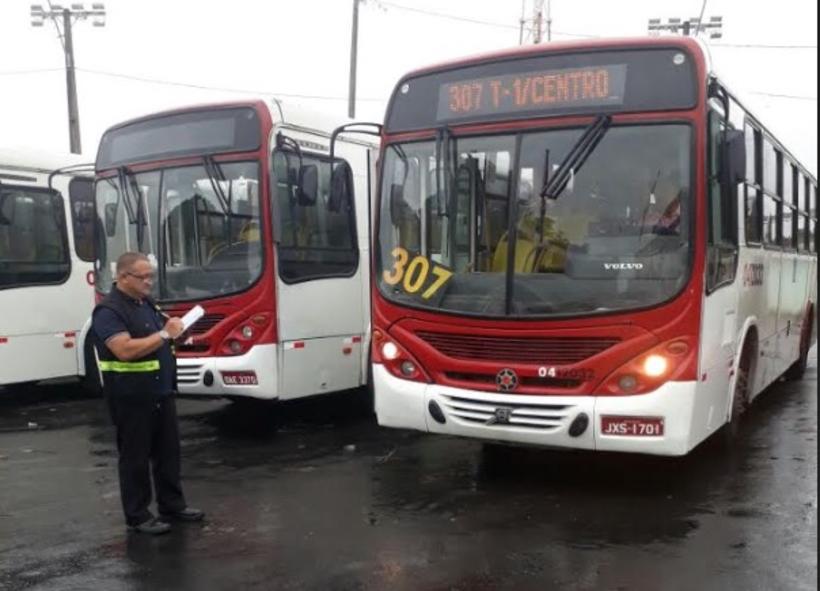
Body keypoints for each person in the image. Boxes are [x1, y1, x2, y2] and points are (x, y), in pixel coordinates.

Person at [91, 252, 204, 535]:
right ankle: (138, 515)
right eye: (143, 277)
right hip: (131, 397)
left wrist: (176, 334)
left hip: (160, 392)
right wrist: (164, 335)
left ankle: (172, 505)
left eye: (150, 276)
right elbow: (124, 350)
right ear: (123, 277)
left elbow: (159, 339)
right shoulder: (109, 311)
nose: (149, 282)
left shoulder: (145, 304)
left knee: (168, 453)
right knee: (135, 457)